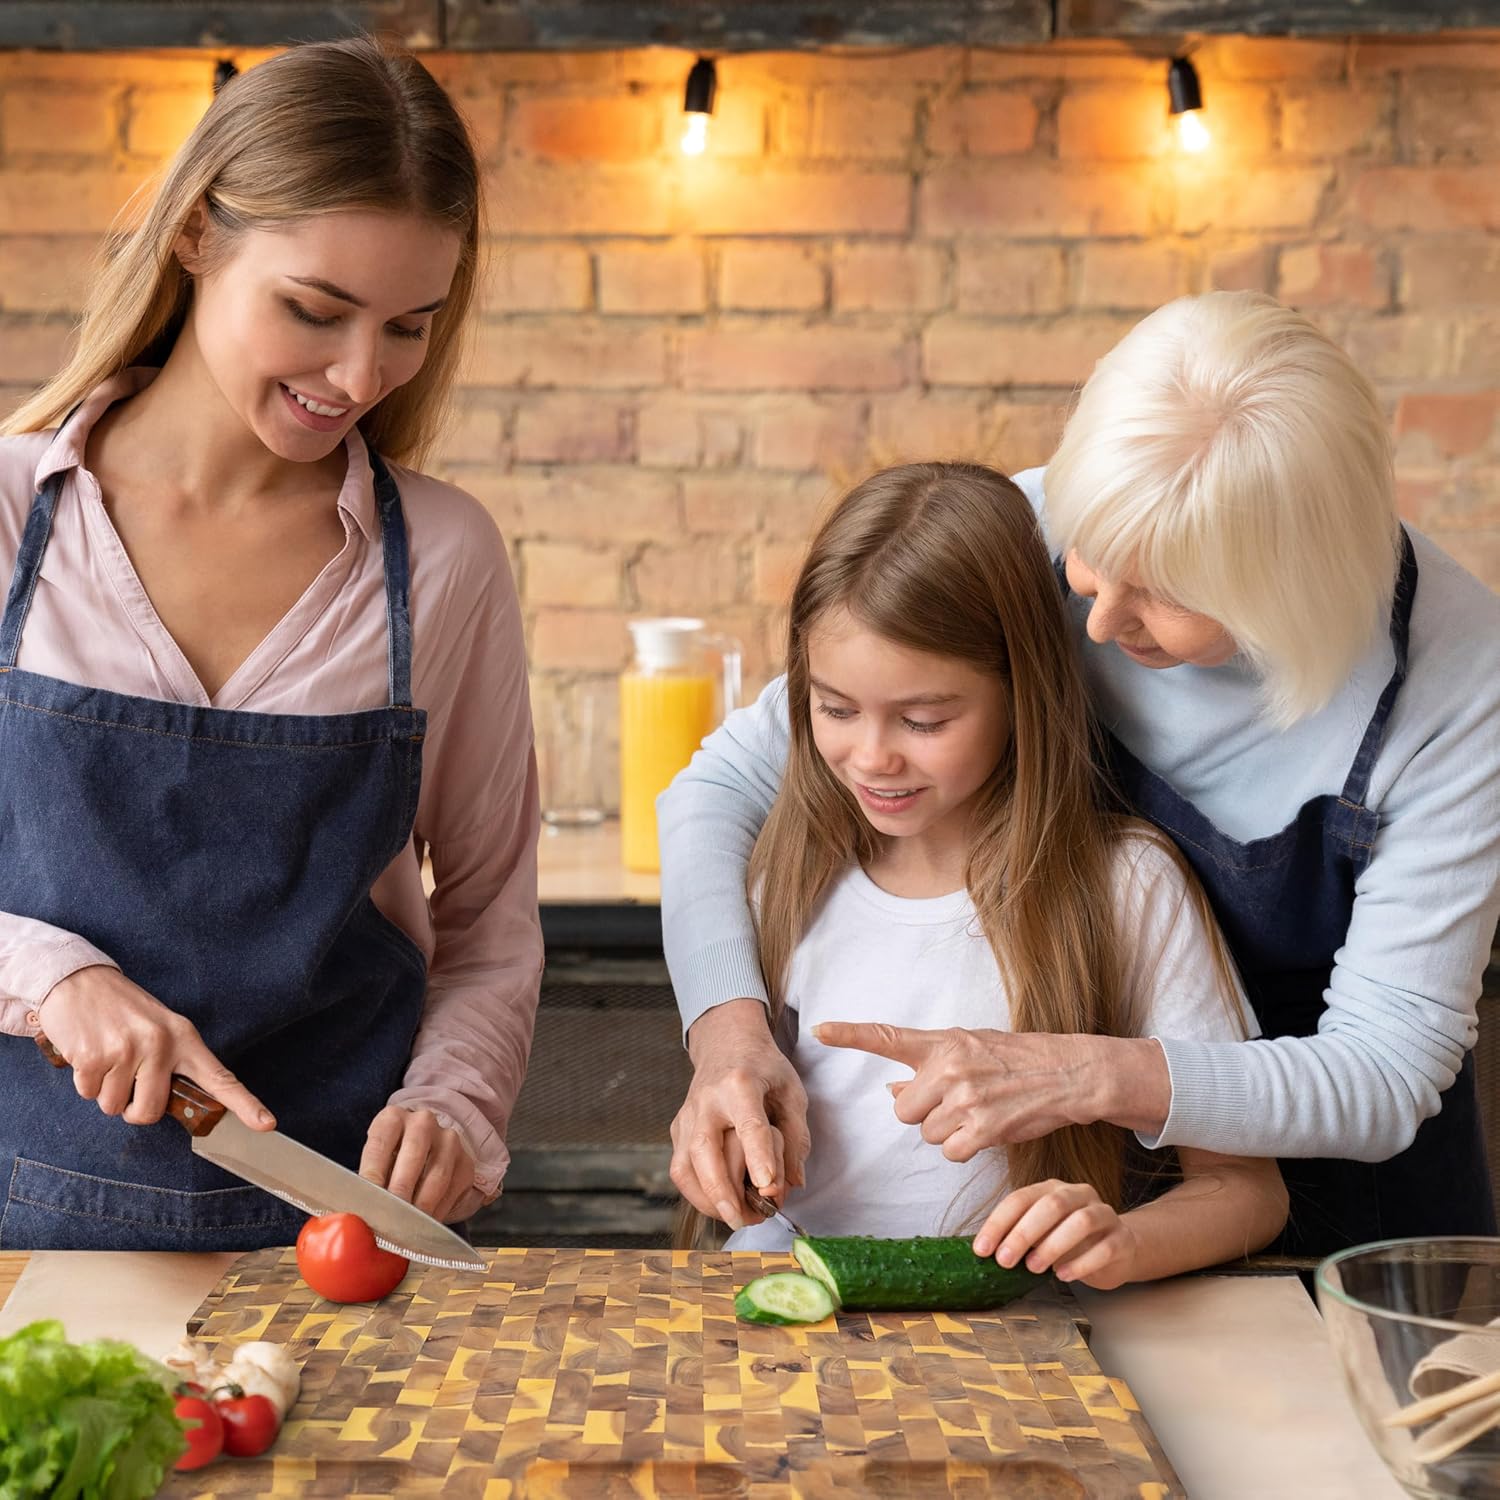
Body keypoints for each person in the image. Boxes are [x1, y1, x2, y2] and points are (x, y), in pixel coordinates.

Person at [664, 292, 1500, 1258]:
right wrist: (729, 1034)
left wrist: (1089, 1077)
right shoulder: (1028, 536)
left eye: (1163, 595)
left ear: (1289, 590)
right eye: (1091, 561)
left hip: (1355, 1204)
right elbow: (716, 792)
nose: (1096, 626)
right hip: (1092, 1213)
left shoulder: (1458, 684)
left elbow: (1387, 1073)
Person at [0, 37, 541, 1250]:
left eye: (409, 326)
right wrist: (53, 977)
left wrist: (456, 1100)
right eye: (315, 310)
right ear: (197, 233)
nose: (360, 375)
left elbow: (493, 915)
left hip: (339, 1237)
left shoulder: (442, 560)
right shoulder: (11, 515)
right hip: (14, 1236)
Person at [684, 461, 1287, 1286]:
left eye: (925, 719)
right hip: (784, 1305)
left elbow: (1245, 1189)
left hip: (1018, 1338)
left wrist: (1127, 1242)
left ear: (1021, 690)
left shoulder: (1127, 888)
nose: (871, 757)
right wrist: (728, 1157)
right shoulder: (783, 873)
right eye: (834, 708)